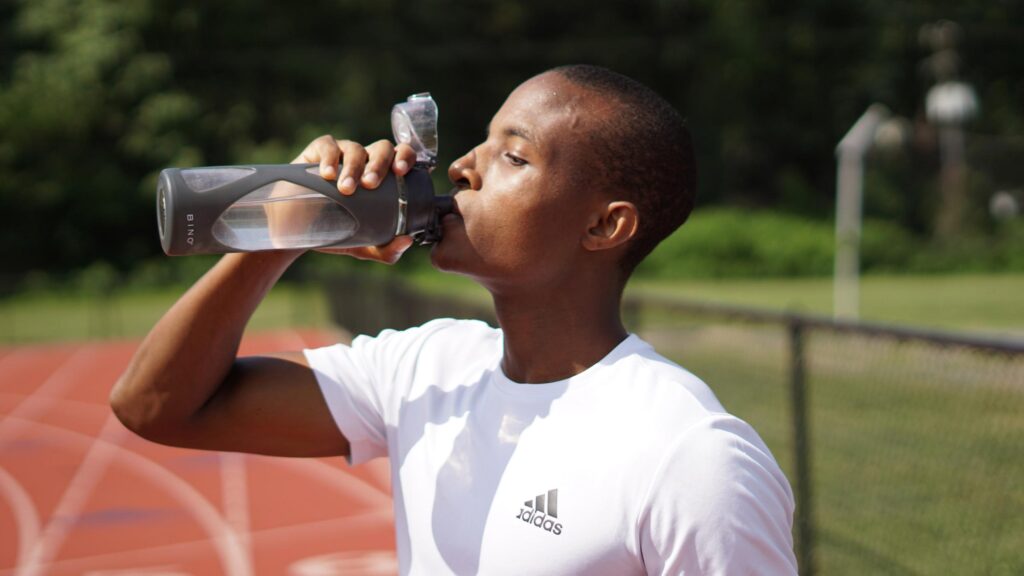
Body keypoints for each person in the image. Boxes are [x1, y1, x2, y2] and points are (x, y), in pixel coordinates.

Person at [112, 64, 798, 575]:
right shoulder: (428, 366)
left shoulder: (690, 454)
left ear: (603, 224)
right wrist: (288, 223)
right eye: (480, 143)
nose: (464, 168)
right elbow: (157, 406)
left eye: (514, 155)